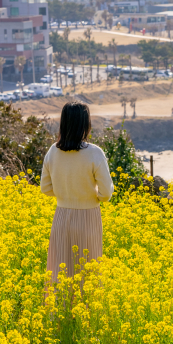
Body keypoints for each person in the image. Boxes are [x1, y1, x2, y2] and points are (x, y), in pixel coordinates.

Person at [40, 101, 114, 284]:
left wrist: (65, 195)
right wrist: (89, 197)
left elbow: (45, 188)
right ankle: (86, 311)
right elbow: (106, 194)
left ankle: (58, 312)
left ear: (63, 123)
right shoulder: (94, 153)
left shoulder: (52, 151)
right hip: (88, 218)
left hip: (61, 217)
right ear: (85, 125)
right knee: (88, 273)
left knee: (60, 272)